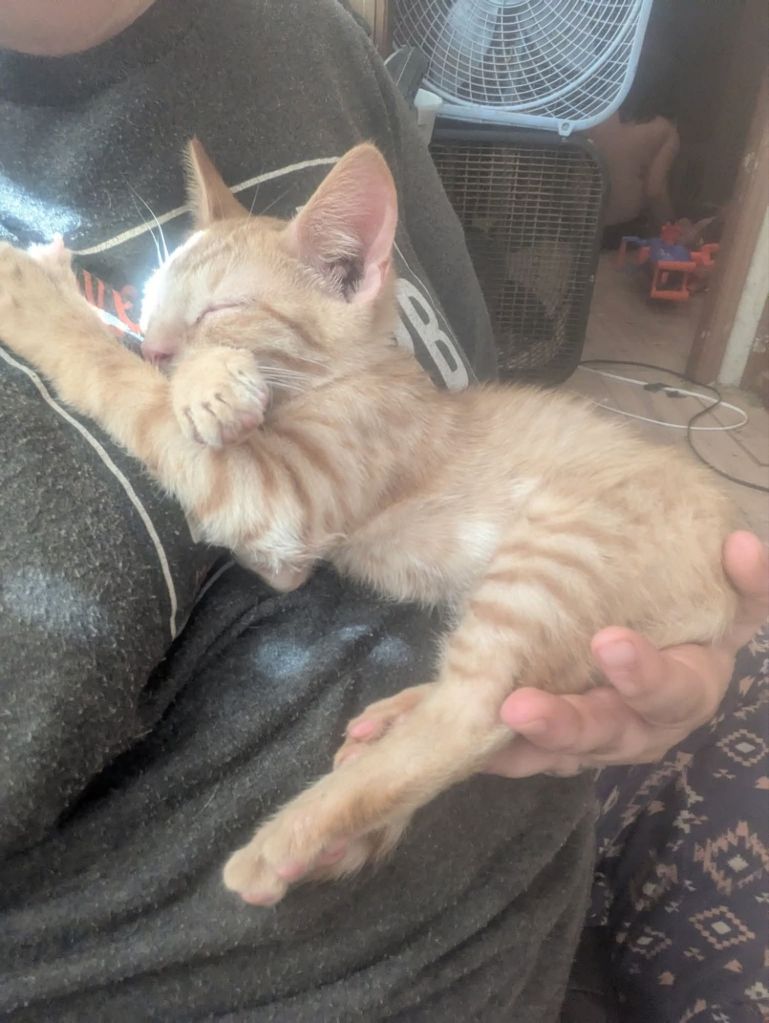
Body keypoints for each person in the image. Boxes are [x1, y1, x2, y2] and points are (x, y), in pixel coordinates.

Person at [0, 2, 766, 1020]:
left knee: (495, 682)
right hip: (242, 981)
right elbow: (280, 548)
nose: (159, 349)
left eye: (204, 319)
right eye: (158, 317)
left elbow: (276, 529)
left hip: (599, 639)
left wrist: (70, 342)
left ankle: (438, 737)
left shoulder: (361, 379)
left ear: (353, 277)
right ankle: (436, 741)